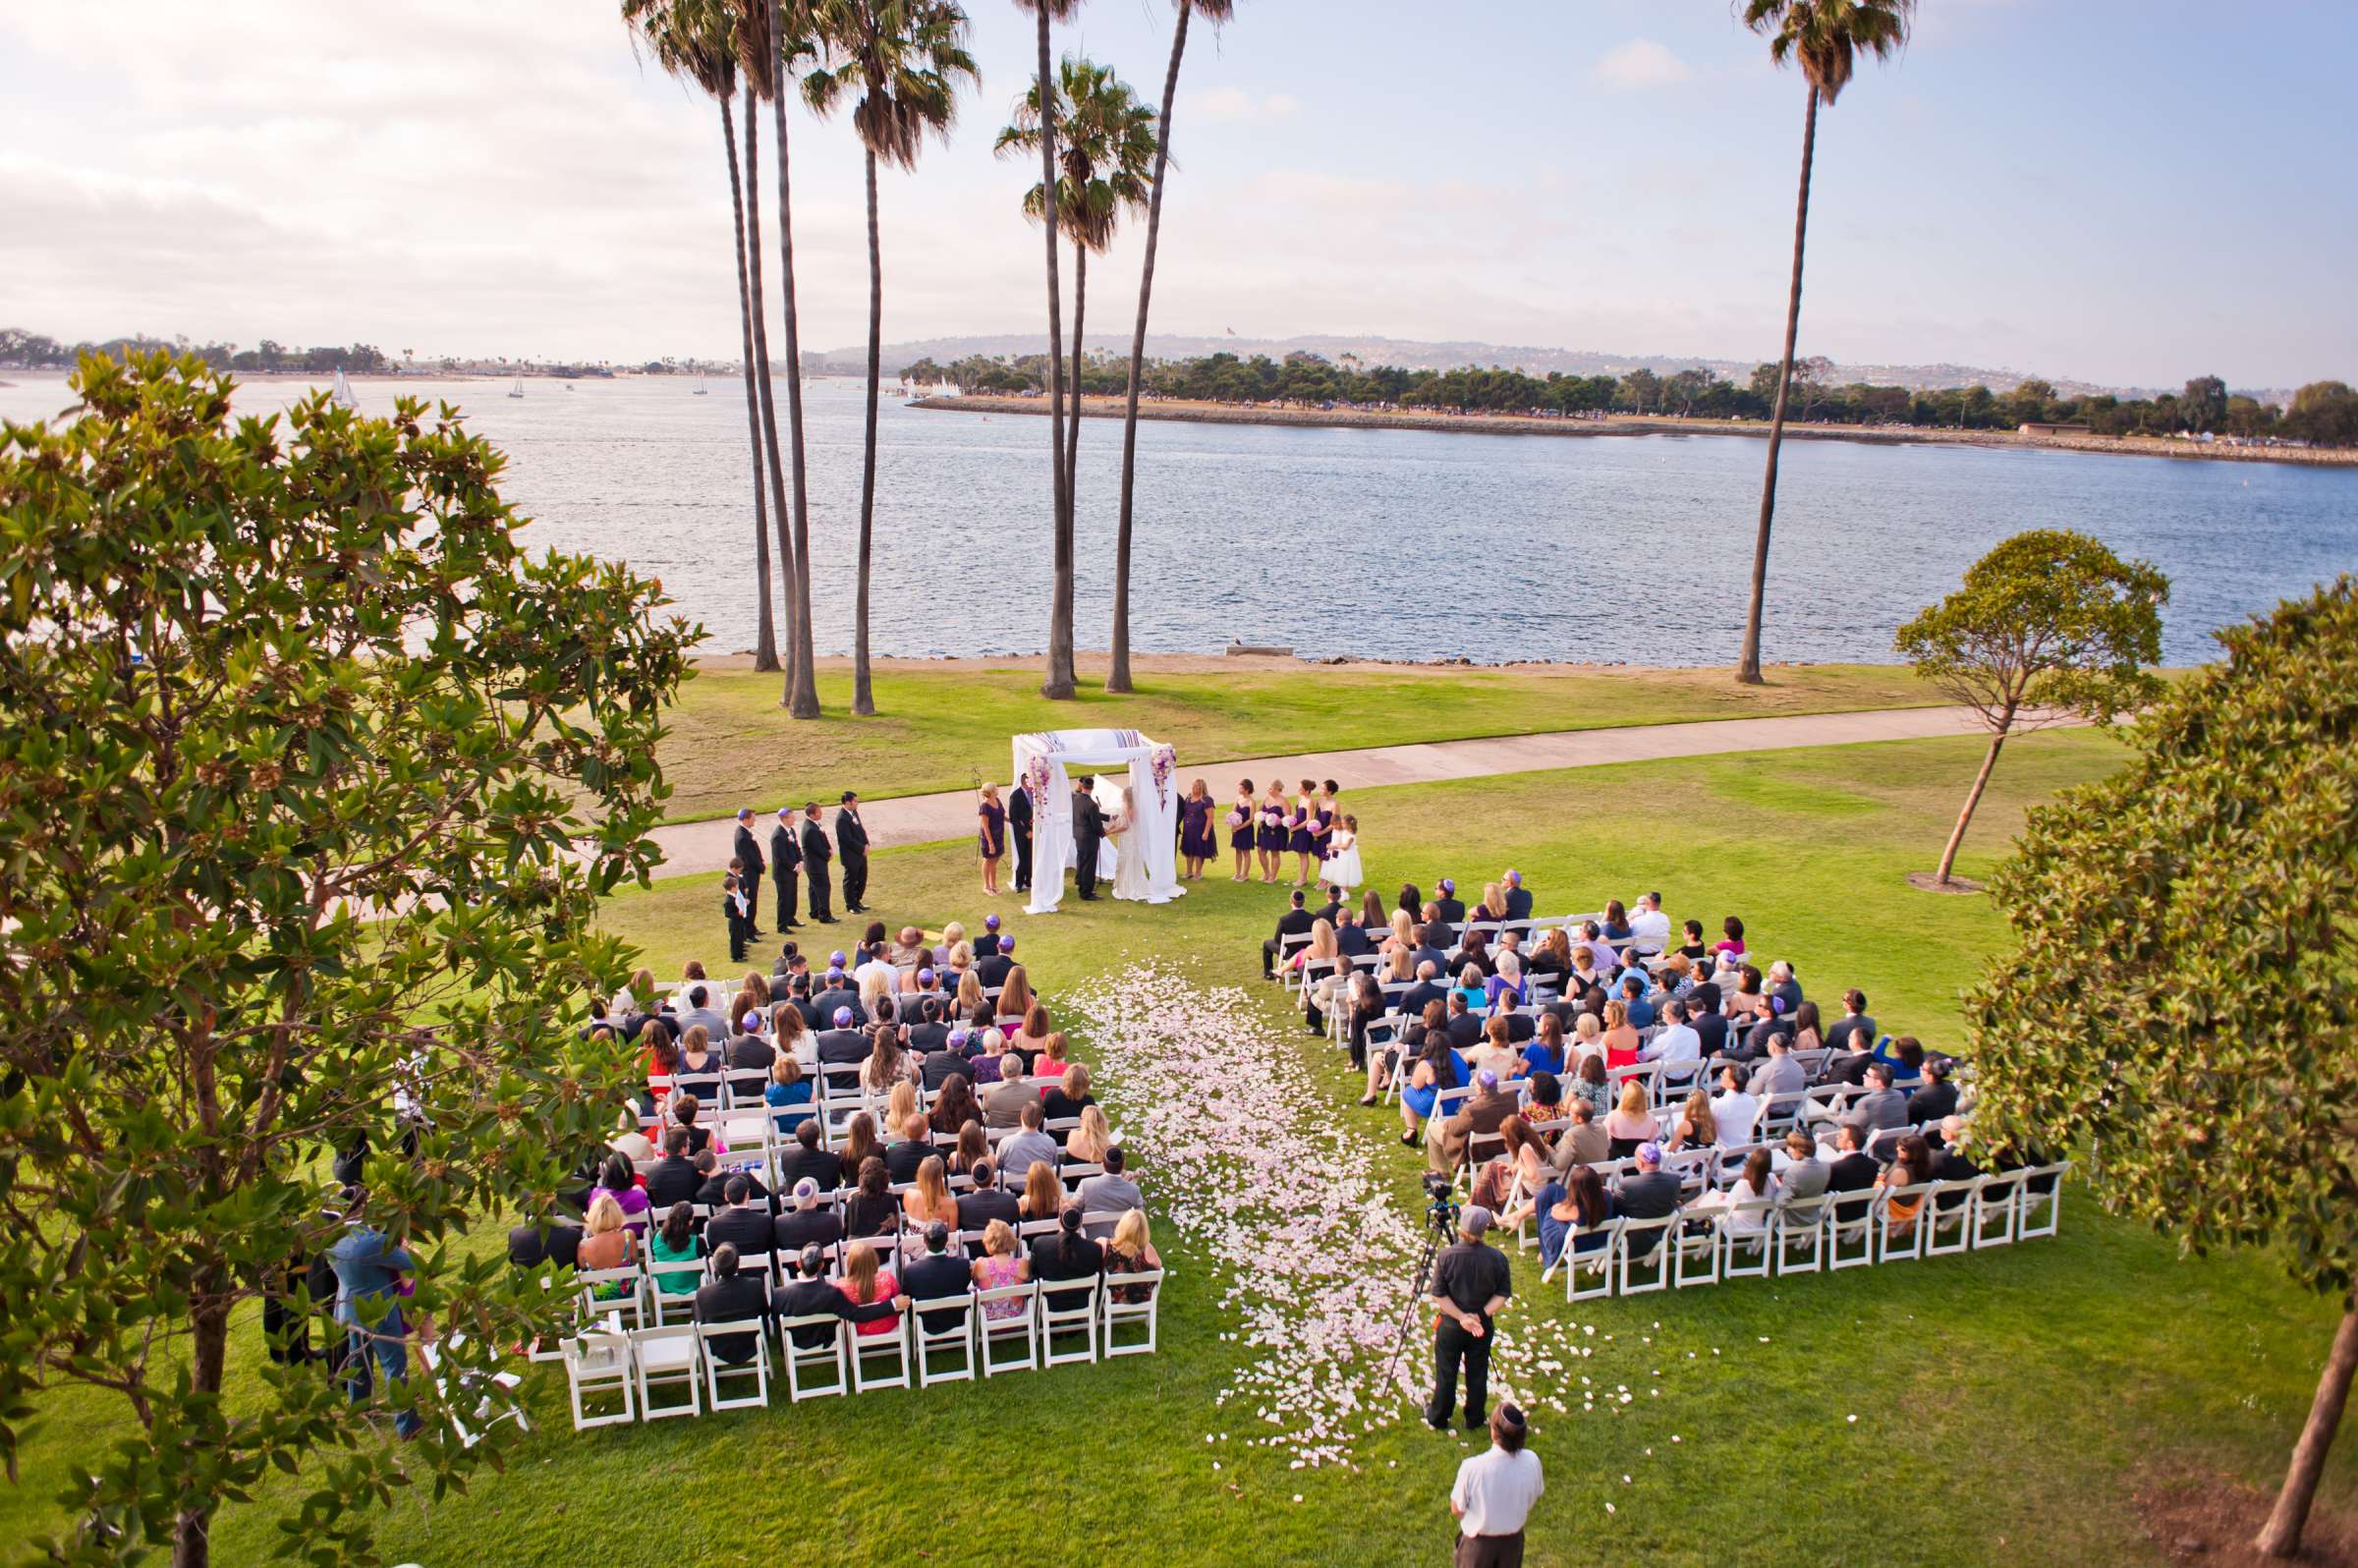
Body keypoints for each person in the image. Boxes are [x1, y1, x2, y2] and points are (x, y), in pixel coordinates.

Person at [327, 1187, 425, 1438]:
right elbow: (409, 1264)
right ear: (365, 1207)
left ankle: (359, 1410)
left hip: (348, 1308)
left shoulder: (332, 1237)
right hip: (378, 1311)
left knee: (358, 1360)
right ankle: (407, 1424)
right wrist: (406, 1247)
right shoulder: (372, 1242)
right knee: (394, 1366)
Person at [1426, 1204, 1511, 1431]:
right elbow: (1502, 1294)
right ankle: (1475, 1417)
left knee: (1446, 1372)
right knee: (1478, 1371)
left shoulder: (1446, 1256)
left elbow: (1439, 1294)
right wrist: (1479, 1316)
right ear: (1484, 1229)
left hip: (1452, 1325)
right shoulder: (1498, 1258)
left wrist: (1462, 1317)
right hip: (1481, 1327)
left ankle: (1439, 1416)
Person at [1450, 1402, 1543, 1568]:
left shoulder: (1472, 1468)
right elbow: (1533, 1498)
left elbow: (1457, 1509)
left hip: (1478, 1546)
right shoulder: (1532, 1461)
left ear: (1494, 1432)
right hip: (1513, 1543)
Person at [691, 1243, 770, 1365]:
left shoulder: (703, 1294)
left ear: (715, 1267)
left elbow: (700, 1324)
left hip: (720, 1348)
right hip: (751, 1342)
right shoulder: (754, 1285)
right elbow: (765, 1312)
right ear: (738, 1264)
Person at [1429, 1067, 1515, 1177]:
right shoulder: (1511, 1099)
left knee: (1433, 1127)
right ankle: (1456, 1165)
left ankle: (1441, 1171)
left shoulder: (1472, 1110)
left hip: (1475, 1150)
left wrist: (1448, 1122)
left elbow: (1453, 1129)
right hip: (1501, 1146)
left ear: (1479, 1088)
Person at [1029, 1205, 1104, 1310]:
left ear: (1059, 1220)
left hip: (1049, 1303)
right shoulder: (1094, 1249)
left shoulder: (1040, 1244)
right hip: (1082, 1303)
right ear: (1081, 1222)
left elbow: (1033, 1272)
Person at [835, 1239, 900, 1336]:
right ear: (874, 1260)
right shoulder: (887, 1278)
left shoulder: (840, 1286)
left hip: (857, 1329)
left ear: (850, 1262)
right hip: (887, 1324)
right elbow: (898, 1297)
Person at [1075, 1145, 1143, 1237]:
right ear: (1123, 1165)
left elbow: (1074, 1208)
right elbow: (1140, 1217)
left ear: (1102, 1164)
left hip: (1091, 1241)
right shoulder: (1134, 1191)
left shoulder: (1086, 1185)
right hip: (1121, 1241)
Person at [972, 1219, 1031, 1316]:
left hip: (986, 1319)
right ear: (1010, 1239)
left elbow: (974, 1282)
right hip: (1015, 1318)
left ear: (988, 1241)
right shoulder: (1022, 1263)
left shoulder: (980, 1263)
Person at [705, 1174, 773, 1257]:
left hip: (729, 1269)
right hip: (760, 1269)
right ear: (747, 1195)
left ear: (726, 1197)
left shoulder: (714, 1224)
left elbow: (714, 1251)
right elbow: (770, 1247)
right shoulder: (764, 1221)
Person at [997, 1101, 1061, 1189]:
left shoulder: (1005, 1143)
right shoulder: (1050, 1143)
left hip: (1014, 1189)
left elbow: (999, 1167)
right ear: (1041, 1120)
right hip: (1041, 1189)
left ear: (1021, 1117)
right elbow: (1055, 1165)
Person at [731, 807, 767, 941]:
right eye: (753, 818)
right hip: (749, 874)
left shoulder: (745, 832)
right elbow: (749, 857)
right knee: (749, 902)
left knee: (753, 901)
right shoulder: (742, 837)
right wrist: (761, 866)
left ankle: (751, 926)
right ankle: (748, 932)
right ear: (746, 819)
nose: (755, 820)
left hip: (752, 872)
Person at [957, 1158, 1021, 1235]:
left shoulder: (961, 1203)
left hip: (973, 1247)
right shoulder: (1010, 1200)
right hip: (1002, 1246)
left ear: (973, 1179)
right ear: (994, 1177)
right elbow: (1016, 1230)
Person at [1262, 888, 1316, 980]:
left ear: (1291, 901)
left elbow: (1277, 940)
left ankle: (1268, 973)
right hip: (1306, 951)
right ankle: (1295, 967)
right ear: (1304, 901)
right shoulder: (1313, 918)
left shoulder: (1284, 919)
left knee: (1267, 943)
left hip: (1289, 953)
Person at [1070, 775, 1107, 900]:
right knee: (1089, 866)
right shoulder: (1092, 805)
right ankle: (1086, 892)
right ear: (1092, 787)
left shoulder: (1076, 799)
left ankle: (1080, 883)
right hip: (1089, 839)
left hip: (1078, 835)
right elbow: (1096, 826)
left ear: (1082, 786)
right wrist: (1103, 832)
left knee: (1081, 861)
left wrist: (1107, 817)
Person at [800, 802, 835, 924]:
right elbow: (818, 848)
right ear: (812, 814)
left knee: (814, 888)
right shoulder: (810, 829)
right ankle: (824, 915)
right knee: (823, 888)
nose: (821, 813)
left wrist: (829, 848)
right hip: (815, 865)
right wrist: (828, 855)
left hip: (814, 865)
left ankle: (815, 911)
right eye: (819, 812)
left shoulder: (814, 824)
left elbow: (823, 839)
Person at [1179, 778, 1217, 881]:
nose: (1194, 787)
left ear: (1202, 788)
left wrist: (1206, 832)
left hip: (1200, 830)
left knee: (1198, 852)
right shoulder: (1188, 798)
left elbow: (1210, 818)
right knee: (1188, 851)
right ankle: (1189, 872)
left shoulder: (1206, 800)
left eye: (1197, 786)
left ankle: (1198, 873)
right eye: (1193, 785)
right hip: (1188, 830)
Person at [1321, 813, 1364, 898]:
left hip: (1348, 857)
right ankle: (1341, 890)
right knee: (1341, 872)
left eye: (1343, 823)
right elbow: (1341, 843)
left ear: (1349, 825)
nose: (1342, 825)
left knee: (1346, 873)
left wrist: (1335, 846)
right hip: (1343, 856)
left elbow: (1345, 847)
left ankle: (1344, 893)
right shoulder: (1345, 832)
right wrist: (1332, 845)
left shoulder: (1351, 836)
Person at [976, 782, 1006, 895]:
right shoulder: (984, 806)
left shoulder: (997, 801)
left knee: (995, 860)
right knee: (988, 860)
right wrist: (991, 844)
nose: (998, 790)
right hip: (989, 838)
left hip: (999, 836)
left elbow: (1002, 815)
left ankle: (993, 885)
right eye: (996, 789)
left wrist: (1013, 821)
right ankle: (986, 886)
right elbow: (985, 826)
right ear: (992, 791)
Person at [1909, 1057, 1960, 1124]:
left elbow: (1909, 1119)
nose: (1920, 1068)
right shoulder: (1951, 1088)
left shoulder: (1919, 1096)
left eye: (1923, 1068)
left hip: (1926, 1133)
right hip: (1944, 1127)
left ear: (1931, 1076)